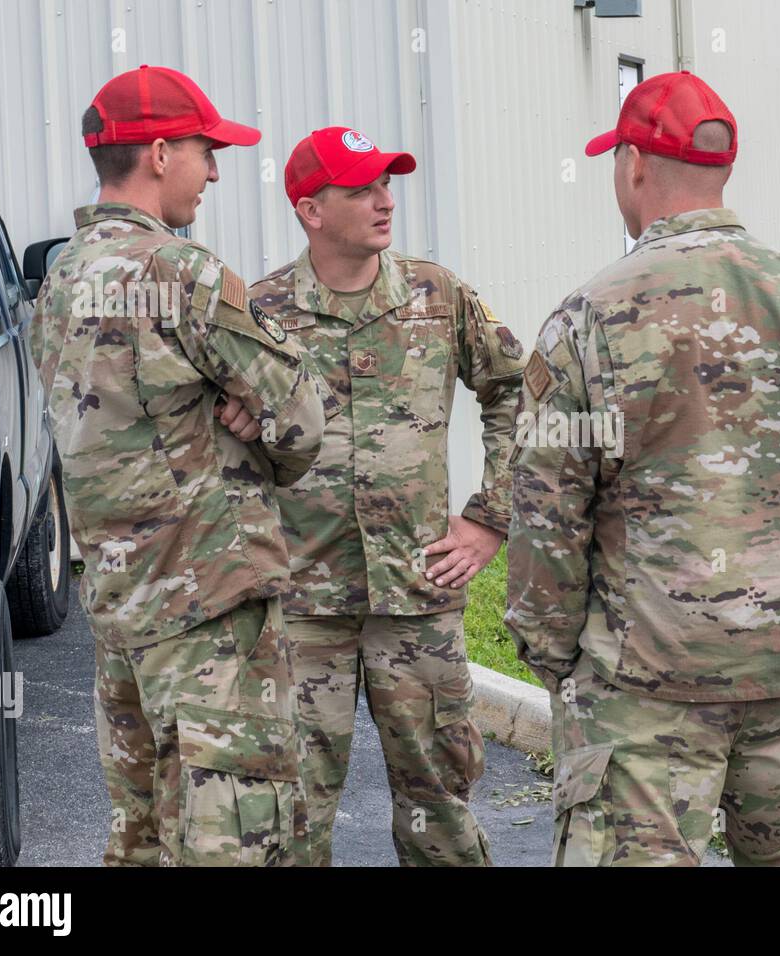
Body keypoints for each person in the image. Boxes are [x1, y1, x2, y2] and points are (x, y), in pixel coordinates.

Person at [504, 71, 780, 866]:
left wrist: (558, 658)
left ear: (632, 165)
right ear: (723, 169)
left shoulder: (591, 317)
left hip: (642, 701)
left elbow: (548, 515)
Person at [31, 65, 327, 866]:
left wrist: (222, 411)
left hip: (119, 605)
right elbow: (302, 417)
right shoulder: (182, 272)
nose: (217, 169)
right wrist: (252, 425)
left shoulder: (59, 278)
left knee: (140, 835)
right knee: (234, 836)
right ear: (160, 154)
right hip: (207, 607)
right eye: (206, 150)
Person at [248, 126, 526, 866]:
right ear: (311, 209)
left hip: (418, 594)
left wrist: (489, 518)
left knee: (442, 809)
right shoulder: (260, 312)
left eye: (387, 183)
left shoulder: (438, 295)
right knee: (291, 811)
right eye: (362, 188)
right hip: (301, 604)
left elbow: (519, 393)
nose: (384, 199)